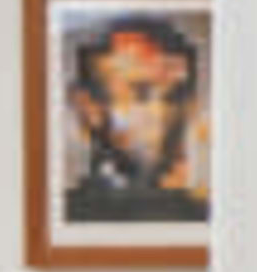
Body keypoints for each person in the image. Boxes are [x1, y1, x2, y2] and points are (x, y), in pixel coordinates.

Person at [60, 12, 206, 225]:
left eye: (178, 95)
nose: (162, 114)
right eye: (141, 93)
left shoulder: (211, 214)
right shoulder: (70, 217)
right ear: (89, 108)